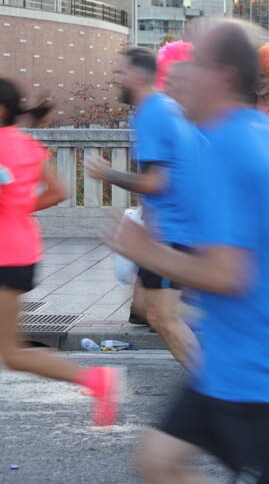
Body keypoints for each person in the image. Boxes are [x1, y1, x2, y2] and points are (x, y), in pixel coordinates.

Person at [103, 18, 269, 483]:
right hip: (226, 366)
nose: (182, 73)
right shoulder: (268, 133)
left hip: (259, 376)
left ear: (224, 75)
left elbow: (230, 275)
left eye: (196, 63)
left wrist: (147, 251)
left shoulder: (227, 147)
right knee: (157, 460)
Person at [0, 78, 118, 455]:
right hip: (10, 253)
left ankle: (95, 379)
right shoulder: (23, 142)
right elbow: (58, 191)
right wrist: (15, 211)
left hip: (3, 257)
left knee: (10, 352)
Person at [85, 48, 200, 370]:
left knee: (163, 317)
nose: (115, 78)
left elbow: (155, 182)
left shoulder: (150, 112)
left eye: (119, 73)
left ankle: (218, 394)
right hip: (173, 228)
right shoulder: (167, 107)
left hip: (172, 230)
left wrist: (106, 173)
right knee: (153, 312)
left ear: (137, 76)